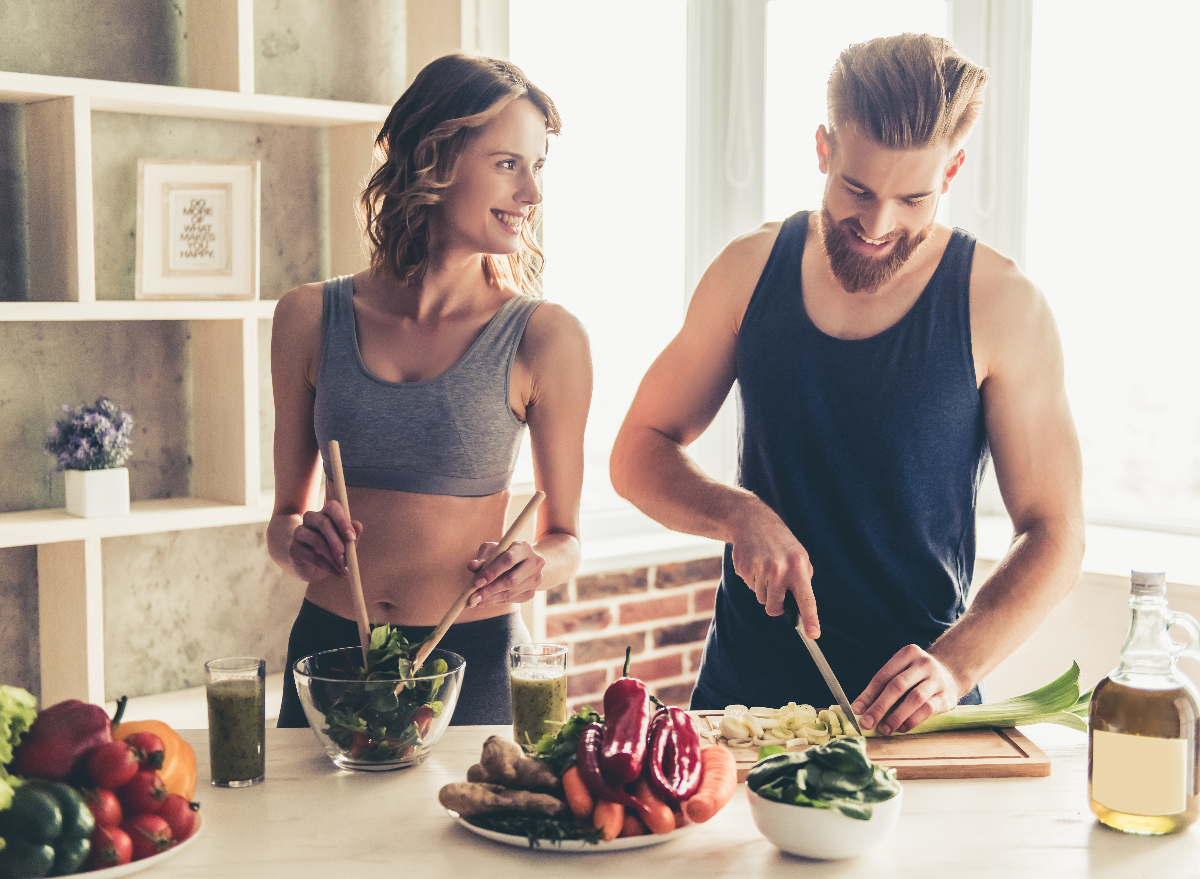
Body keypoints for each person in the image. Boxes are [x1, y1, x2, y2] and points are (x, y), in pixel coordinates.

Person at [610, 34, 1084, 736]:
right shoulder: (747, 271)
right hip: (741, 707)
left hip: (911, 718)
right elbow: (637, 453)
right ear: (823, 149)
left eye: (912, 198)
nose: (877, 224)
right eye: (857, 190)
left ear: (951, 171)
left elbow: (1056, 533)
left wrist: (955, 665)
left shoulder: (1003, 304)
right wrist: (737, 513)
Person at [268, 53, 592, 727]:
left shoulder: (546, 337)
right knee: (315, 838)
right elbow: (283, 522)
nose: (532, 193)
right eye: (509, 163)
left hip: (471, 660)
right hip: (329, 654)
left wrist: (536, 565)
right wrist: (298, 541)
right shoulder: (306, 317)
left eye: (538, 167)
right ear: (433, 159)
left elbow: (565, 537)